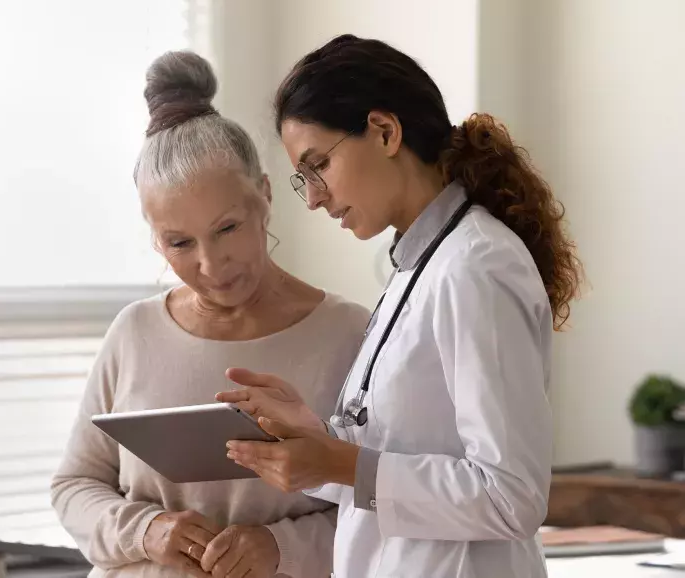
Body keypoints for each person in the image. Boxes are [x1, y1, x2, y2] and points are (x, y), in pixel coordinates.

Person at [217, 35, 583, 578]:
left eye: (317, 166)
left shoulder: (475, 267)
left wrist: (344, 463)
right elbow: (407, 450)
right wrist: (319, 441)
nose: (313, 197)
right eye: (303, 179)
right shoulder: (418, 265)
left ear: (385, 132)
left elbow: (513, 496)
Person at [51, 50, 370, 578]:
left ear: (265, 195)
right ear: (156, 240)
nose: (211, 265)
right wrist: (146, 532)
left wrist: (279, 546)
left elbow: (381, 501)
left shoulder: (349, 333)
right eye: (179, 242)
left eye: (227, 229)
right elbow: (74, 487)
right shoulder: (134, 332)